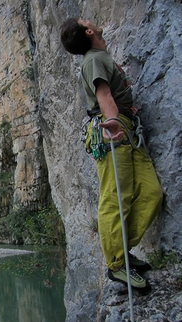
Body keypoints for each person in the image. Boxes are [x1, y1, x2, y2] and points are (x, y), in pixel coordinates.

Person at [60, 18, 163, 292]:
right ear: (89, 31)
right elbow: (103, 94)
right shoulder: (93, 60)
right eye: (85, 21)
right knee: (116, 197)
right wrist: (113, 120)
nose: (89, 19)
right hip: (111, 131)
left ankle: (121, 250)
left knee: (151, 193)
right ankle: (117, 265)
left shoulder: (99, 56)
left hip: (126, 129)